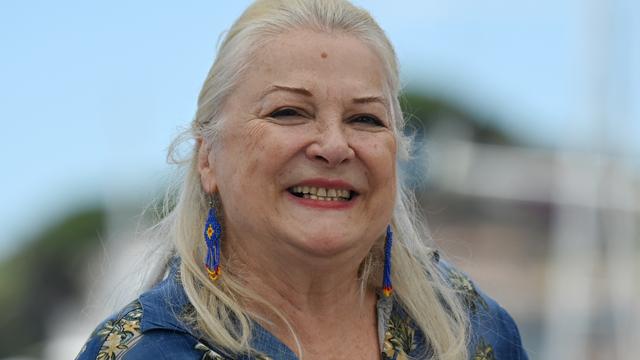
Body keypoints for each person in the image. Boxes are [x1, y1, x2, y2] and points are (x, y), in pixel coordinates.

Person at [76, 0, 528, 359]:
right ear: (208, 158)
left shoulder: (470, 328)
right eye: (288, 112)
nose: (333, 146)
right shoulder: (145, 352)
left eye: (365, 119)